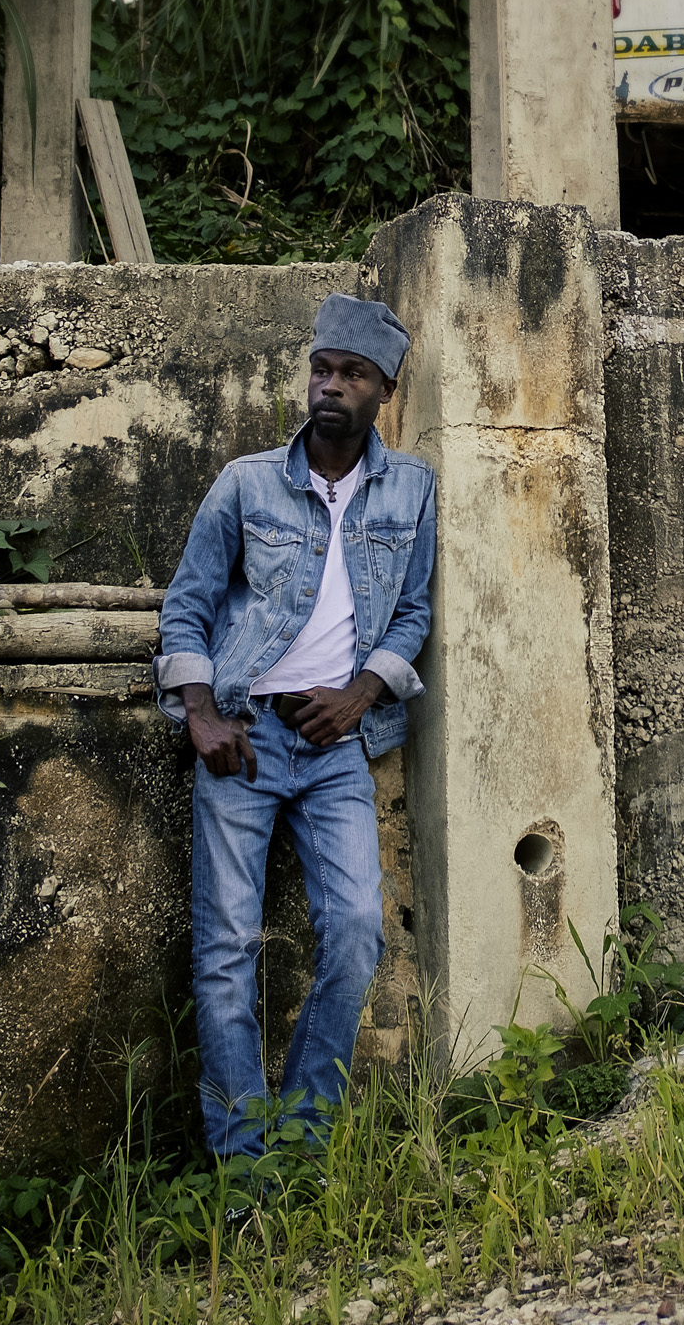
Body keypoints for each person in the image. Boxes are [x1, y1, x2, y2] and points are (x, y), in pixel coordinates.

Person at [155, 292, 436, 1160]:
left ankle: (306, 1144)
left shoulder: (412, 491)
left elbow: (413, 613)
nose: (331, 387)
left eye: (352, 374)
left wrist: (362, 693)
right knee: (226, 947)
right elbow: (187, 608)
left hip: (336, 746)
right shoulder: (246, 484)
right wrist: (198, 714)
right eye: (322, 369)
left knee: (357, 928)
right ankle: (243, 1162)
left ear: (385, 388)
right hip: (242, 737)